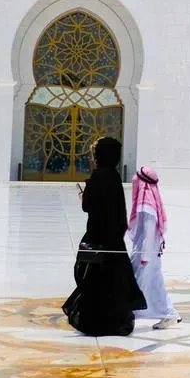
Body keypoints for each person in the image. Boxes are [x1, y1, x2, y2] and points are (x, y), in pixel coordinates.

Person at [62, 136, 146, 336]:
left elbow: (88, 207)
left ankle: (95, 321)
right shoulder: (114, 176)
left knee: (92, 276)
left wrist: (84, 195)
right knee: (113, 280)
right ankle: (115, 321)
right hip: (113, 239)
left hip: (97, 236)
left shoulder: (98, 176)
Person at [129, 165, 181, 328]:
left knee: (138, 284)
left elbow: (150, 231)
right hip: (150, 251)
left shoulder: (147, 204)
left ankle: (130, 313)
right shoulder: (148, 201)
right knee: (155, 283)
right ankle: (169, 313)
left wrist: (143, 256)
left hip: (147, 252)